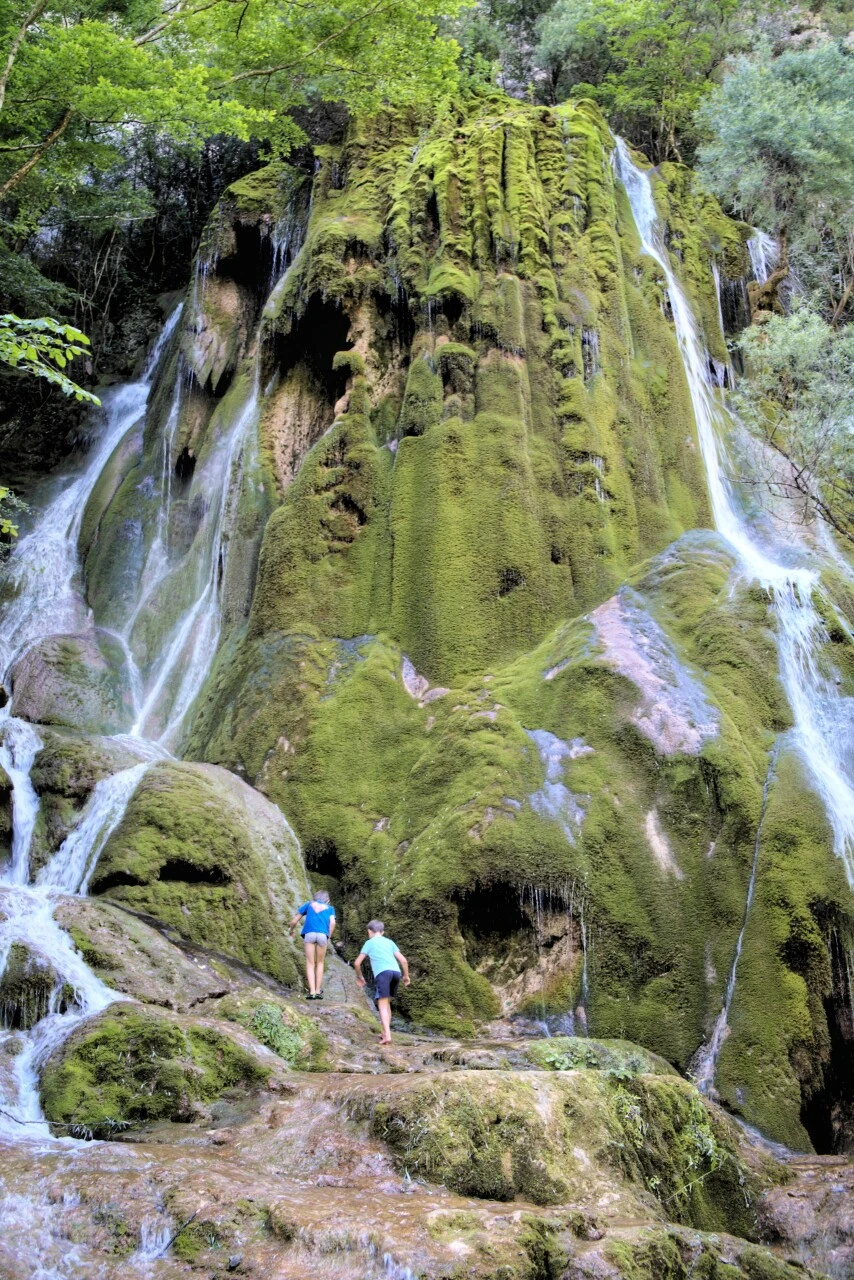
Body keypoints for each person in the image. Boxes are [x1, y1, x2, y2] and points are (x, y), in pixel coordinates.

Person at [353, 920, 410, 1045]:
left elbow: (357, 963)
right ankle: (385, 1031)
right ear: (382, 932)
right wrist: (406, 976)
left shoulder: (369, 943)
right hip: (396, 973)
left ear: (369, 931)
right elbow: (404, 961)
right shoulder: (389, 942)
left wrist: (359, 976)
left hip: (383, 973)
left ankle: (387, 1035)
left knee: (382, 1005)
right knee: (387, 1003)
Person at [289, 890, 336, 1000]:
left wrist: (291, 930)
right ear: (327, 900)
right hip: (322, 935)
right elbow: (333, 923)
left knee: (310, 963)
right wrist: (328, 936)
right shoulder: (330, 908)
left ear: (315, 898)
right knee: (320, 962)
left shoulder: (308, 904)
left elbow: (294, 921)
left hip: (309, 934)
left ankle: (312, 992)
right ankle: (319, 991)